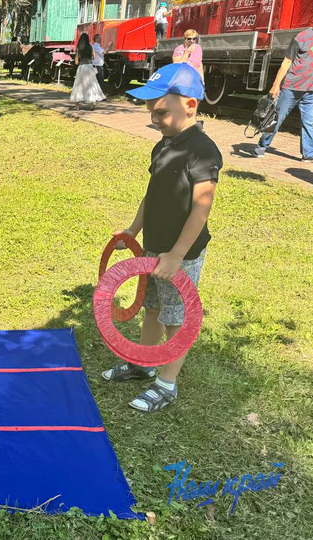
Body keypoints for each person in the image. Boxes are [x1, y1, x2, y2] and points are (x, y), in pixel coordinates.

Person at [103, 63, 221, 412]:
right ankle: (143, 364)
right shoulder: (163, 145)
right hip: (154, 248)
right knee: (152, 308)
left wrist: (176, 255)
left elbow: (201, 208)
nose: (154, 119)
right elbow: (151, 195)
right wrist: (132, 231)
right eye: (151, 113)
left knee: (176, 318)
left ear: (190, 105)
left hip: (180, 254)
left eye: (161, 112)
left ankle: (167, 384)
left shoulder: (203, 150)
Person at [253, 27, 313, 161]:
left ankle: (309, 154)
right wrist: (275, 85)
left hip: (310, 90)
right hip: (291, 87)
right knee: (276, 118)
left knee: (310, 122)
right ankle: (262, 146)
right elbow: (287, 62)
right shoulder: (302, 37)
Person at [70, 34, 105, 110]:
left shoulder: (79, 48)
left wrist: (81, 62)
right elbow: (93, 57)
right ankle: (93, 103)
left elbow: (76, 62)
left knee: (78, 85)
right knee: (92, 84)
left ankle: (77, 106)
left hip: (81, 67)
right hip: (89, 67)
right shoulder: (91, 47)